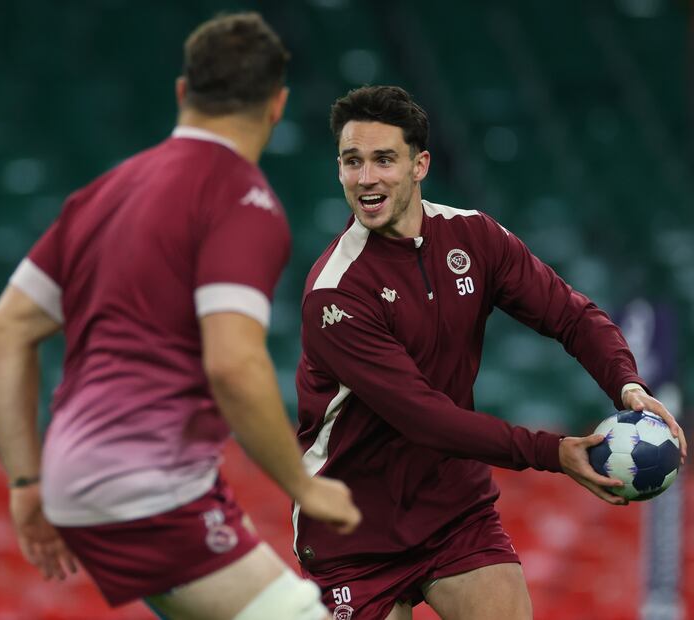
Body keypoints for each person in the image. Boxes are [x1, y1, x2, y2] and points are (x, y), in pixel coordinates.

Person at [0, 12, 361, 620]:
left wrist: (26, 483)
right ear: (277, 105)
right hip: (144, 484)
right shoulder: (242, 198)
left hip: (82, 474)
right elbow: (234, 365)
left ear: (184, 92)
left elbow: (4, 330)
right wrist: (303, 485)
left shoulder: (104, 192)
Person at [292, 85, 687, 620]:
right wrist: (554, 453)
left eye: (384, 159)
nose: (366, 179)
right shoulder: (335, 294)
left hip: (455, 512)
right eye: (351, 162)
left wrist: (627, 384)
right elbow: (426, 419)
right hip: (352, 533)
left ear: (419, 164)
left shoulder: (474, 236)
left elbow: (571, 315)